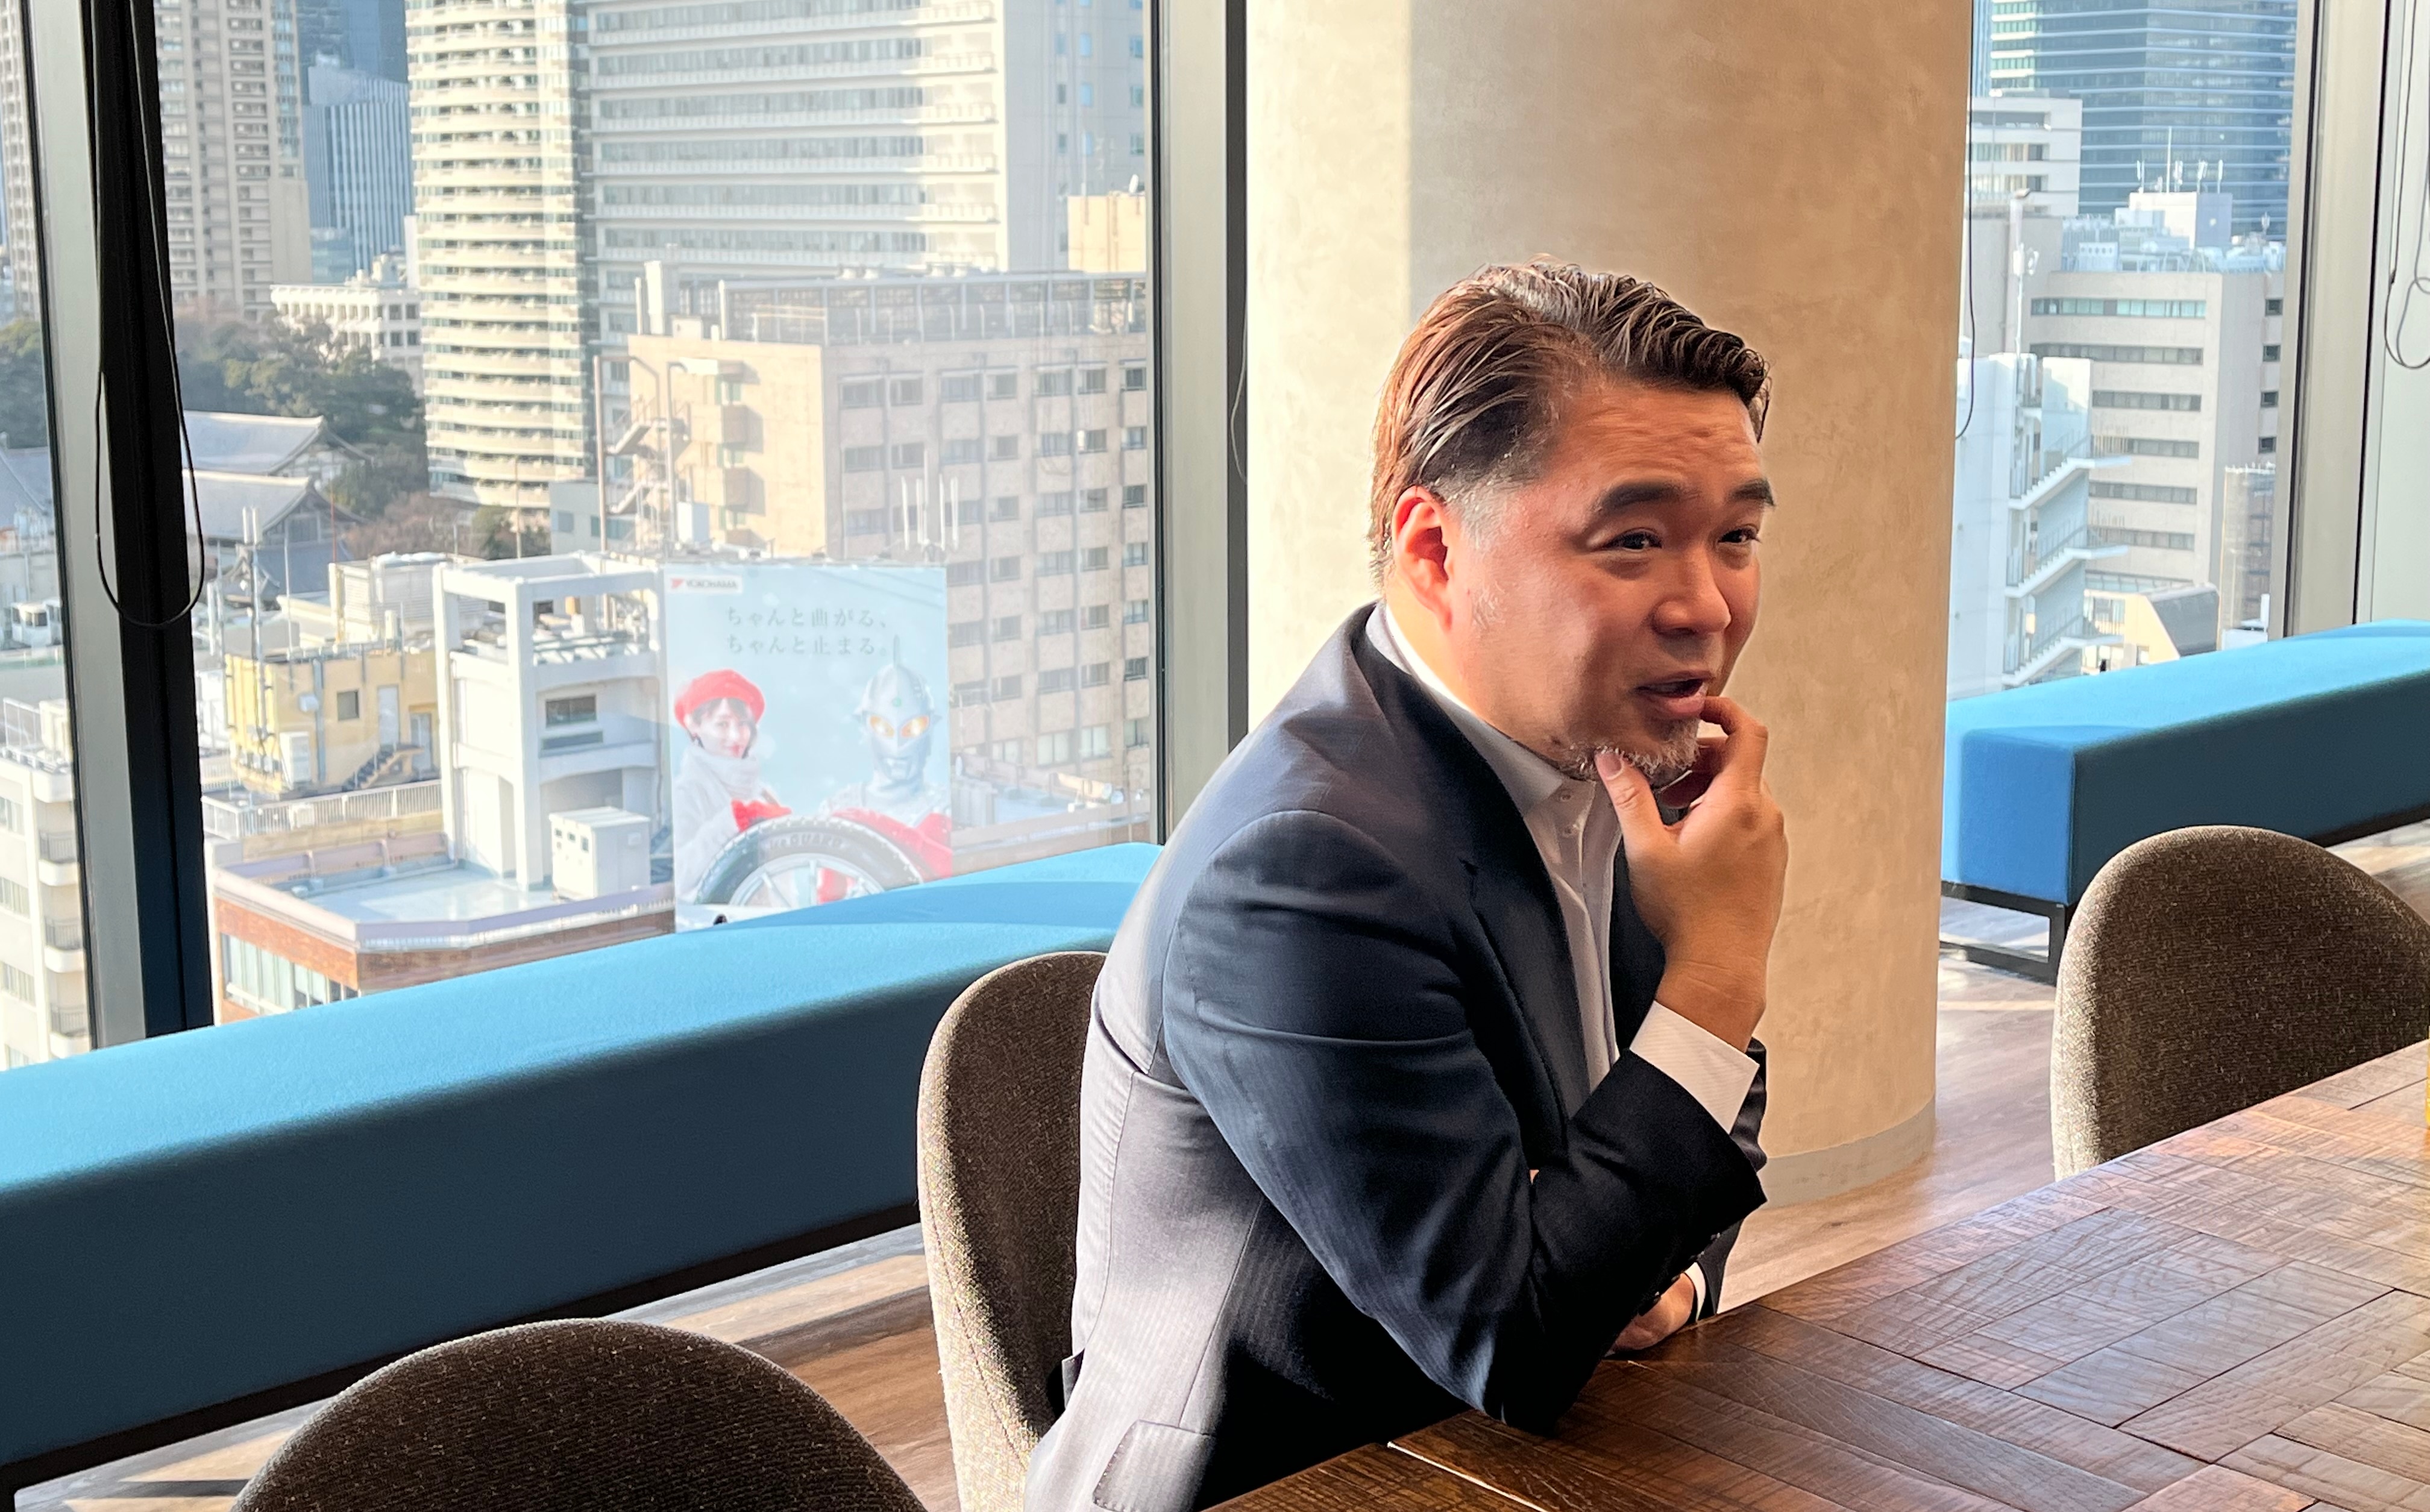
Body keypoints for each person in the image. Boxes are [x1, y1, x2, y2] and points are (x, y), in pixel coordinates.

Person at [1028, 262, 1786, 1512]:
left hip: (1520, 1446)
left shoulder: (1598, 746)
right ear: (1436, 550)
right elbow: (1513, 1333)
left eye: (1737, 537)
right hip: (1296, 1483)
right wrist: (1719, 970)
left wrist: (1668, 1274)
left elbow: (1690, 1101)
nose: (1705, 605)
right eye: (1634, 540)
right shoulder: (1304, 864)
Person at [670, 668, 789, 902]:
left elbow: (783, 880)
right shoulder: (686, 792)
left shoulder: (764, 794)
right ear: (693, 725)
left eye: (743, 724)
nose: (736, 737)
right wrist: (730, 822)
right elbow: (679, 877)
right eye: (722, 725)